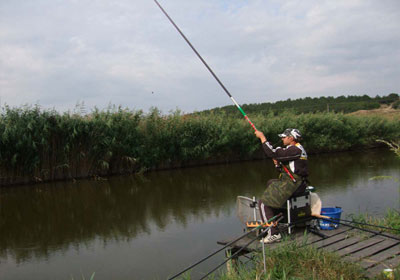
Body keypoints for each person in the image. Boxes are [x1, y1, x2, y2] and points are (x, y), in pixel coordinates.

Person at [254, 128, 309, 243]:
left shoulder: (294, 150)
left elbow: (272, 153)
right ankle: (275, 215)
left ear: (291, 138)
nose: (282, 139)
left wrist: (262, 138)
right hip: (296, 183)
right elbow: (288, 168)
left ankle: (273, 233)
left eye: (284, 137)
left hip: (295, 184)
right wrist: (277, 165)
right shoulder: (297, 149)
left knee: (263, 203)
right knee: (271, 183)